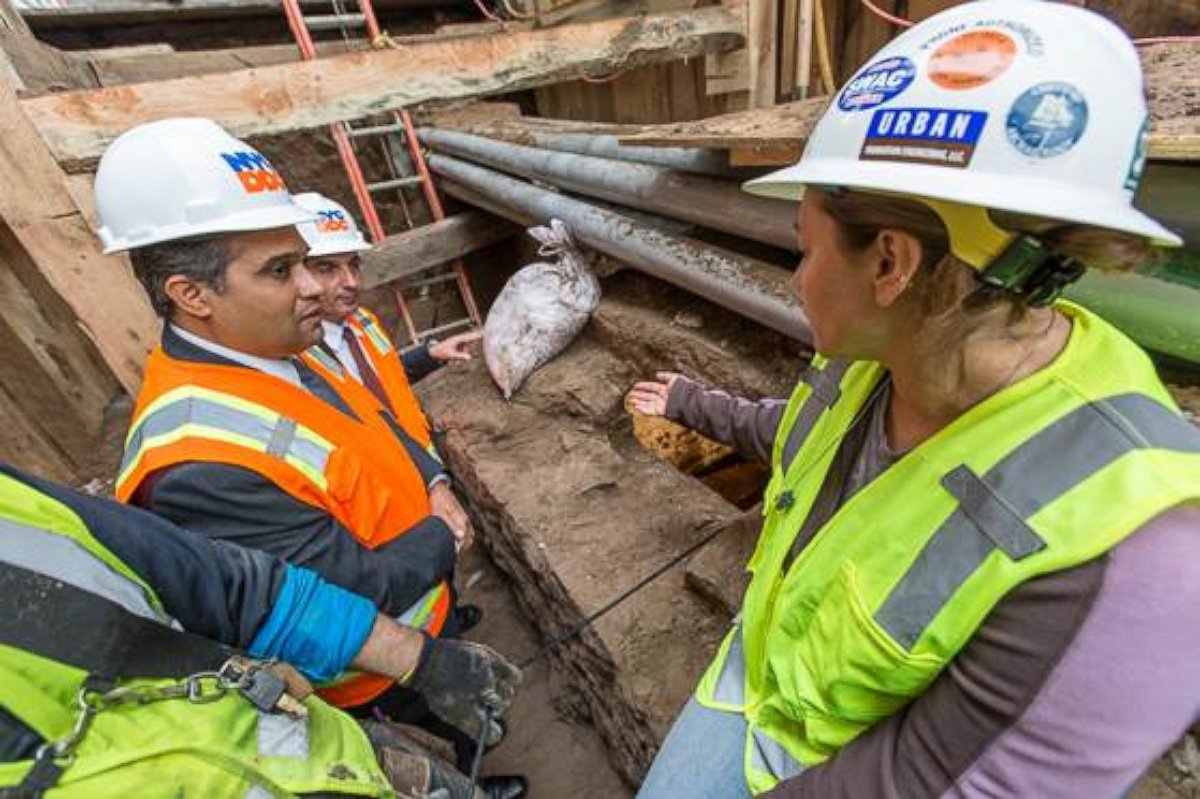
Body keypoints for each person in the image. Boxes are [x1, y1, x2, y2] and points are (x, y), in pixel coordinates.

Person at [629, 2, 1200, 797]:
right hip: (757, 679)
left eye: (804, 244)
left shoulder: (1139, 553)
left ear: (889, 263)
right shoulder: (887, 355)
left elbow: (935, 781)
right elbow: (804, 440)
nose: (798, 278)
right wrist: (693, 402)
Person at [94, 118, 526, 797]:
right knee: (429, 730)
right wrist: (443, 531)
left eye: (303, 258)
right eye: (279, 269)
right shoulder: (196, 464)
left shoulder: (288, 343)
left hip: (421, 593)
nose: (313, 286)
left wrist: (434, 479)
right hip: (370, 666)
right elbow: (349, 589)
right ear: (191, 294)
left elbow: (374, 418)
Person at [0, 461, 519, 798]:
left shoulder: (11, 503)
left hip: (338, 758)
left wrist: (417, 658)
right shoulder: (188, 465)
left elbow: (225, 584)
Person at [293, 191, 483, 560]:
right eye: (328, 268)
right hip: (383, 500)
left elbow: (383, 375)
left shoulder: (363, 322)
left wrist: (430, 354)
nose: (350, 281)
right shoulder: (300, 363)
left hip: (423, 470)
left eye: (353, 264)